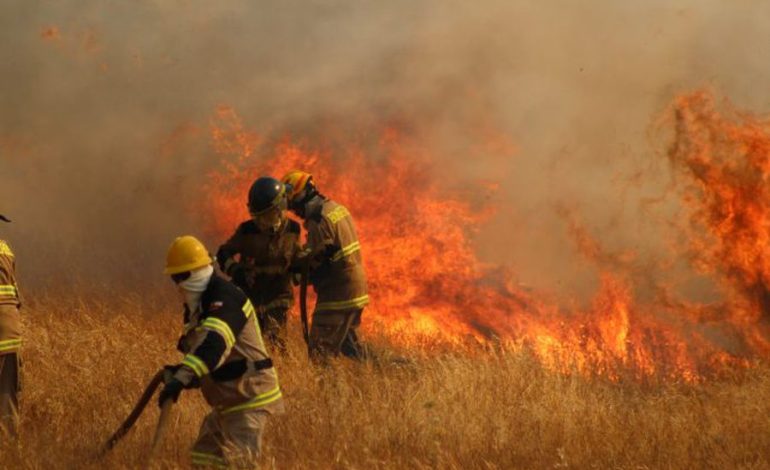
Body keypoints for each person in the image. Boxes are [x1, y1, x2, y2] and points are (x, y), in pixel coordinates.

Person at [159, 235, 284, 467]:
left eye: (181, 277)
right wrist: (179, 374)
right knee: (203, 458)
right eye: (174, 278)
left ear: (197, 271)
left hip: (251, 401)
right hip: (228, 403)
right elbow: (203, 358)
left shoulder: (225, 298)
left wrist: (182, 377)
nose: (178, 285)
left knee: (239, 464)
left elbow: (213, 347)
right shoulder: (199, 306)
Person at [281, 170, 369, 359]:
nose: (294, 211)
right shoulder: (336, 208)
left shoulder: (318, 220)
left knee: (320, 352)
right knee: (351, 348)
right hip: (357, 287)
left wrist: (297, 274)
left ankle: (330, 384)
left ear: (302, 195)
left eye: (293, 204)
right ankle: (385, 369)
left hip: (338, 293)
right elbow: (331, 250)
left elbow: (323, 263)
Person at [216, 177, 300, 350]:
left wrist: (301, 269)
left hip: (278, 298)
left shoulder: (293, 229)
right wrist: (235, 271)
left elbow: (296, 258)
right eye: (258, 217)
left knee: (277, 345)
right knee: (249, 346)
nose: (261, 222)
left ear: (279, 209)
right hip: (250, 298)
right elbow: (223, 253)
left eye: (266, 216)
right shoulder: (247, 230)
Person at [0, 214, 21, 438]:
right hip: (10, 333)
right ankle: (13, 450)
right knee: (7, 399)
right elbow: (17, 297)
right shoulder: (6, 250)